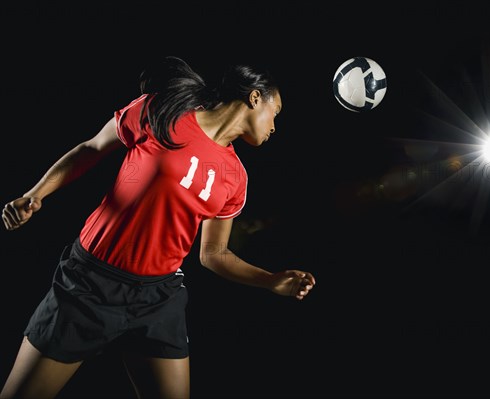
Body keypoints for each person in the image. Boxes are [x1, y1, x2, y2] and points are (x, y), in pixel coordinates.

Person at [0, 56, 316, 399]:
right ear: (255, 97)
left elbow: (214, 254)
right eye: (276, 112)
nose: (274, 127)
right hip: (90, 285)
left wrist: (270, 280)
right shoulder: (163, 111)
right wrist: (35, 195)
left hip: (157, 299)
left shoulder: (235, 178)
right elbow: (91, 148)